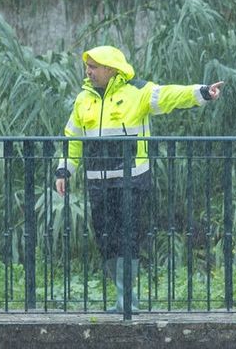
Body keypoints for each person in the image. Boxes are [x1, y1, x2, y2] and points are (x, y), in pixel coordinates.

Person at [54, 45, 224, 315]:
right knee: (105, 239)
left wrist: (201, 92)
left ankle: (126, 301)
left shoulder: (138, 92)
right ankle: (124, 297)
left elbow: (169, 95)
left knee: (128, 238)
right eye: (88, 66)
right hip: (97, 181)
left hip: (131, 180)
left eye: (94, 67)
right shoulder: (82, 100)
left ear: (111, 69)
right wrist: (64, 170)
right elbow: (72, 138)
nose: (88, 71)